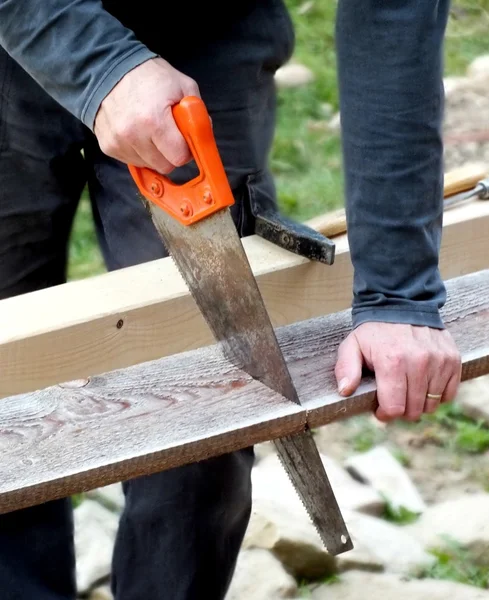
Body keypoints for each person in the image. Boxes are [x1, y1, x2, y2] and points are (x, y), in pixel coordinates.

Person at [0, 0, 462, 598]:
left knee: (207, 398)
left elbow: (393, 16)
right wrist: (101, 65)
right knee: (7, 382)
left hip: (205, 38)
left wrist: (397, 293)